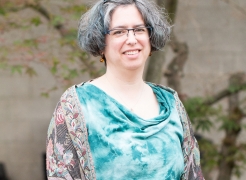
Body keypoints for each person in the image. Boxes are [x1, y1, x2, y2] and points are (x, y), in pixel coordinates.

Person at [46, 0, 205, 179]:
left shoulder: (172, 103)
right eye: (119, 32)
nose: (131, 39)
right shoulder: (76, 105)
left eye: (139, 30)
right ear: (100, 43)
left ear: (150, 37)